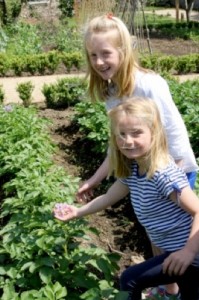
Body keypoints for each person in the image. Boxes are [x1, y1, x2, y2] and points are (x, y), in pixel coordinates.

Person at [76, 14, 198, 299]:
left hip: (170, 167)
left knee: (176, 232)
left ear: (123, 51)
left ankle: (184, 279)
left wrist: (164, 176)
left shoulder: (149, 85)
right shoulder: (111, 89)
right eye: (92, 55)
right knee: (154, 228)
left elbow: (174, 134)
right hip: (142, 168)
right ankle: (170, 288)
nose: (99, 61)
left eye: (105, 53)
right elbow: (117, 144)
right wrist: (94, 180)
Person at [54, 98, 199, 300]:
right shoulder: (133, 169)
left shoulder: (163, 174)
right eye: (121, 134)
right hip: (175, 255)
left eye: (136, 133)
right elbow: (108, 198)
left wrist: (188, 252)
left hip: (190, 257)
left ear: (154, 133)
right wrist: (77, 212)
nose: (127, 141)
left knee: (130, 280)